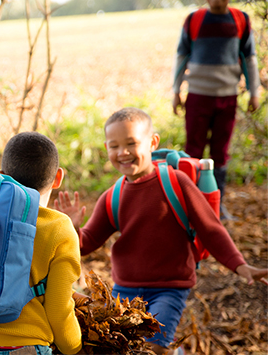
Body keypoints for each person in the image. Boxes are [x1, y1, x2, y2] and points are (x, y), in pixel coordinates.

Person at [54, 107, 268, 355]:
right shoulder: (112, 196)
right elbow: (87, 242)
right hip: (124, 291)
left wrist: (241, 266)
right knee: (120, 347)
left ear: (152, 142)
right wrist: (72, 227)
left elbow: (211, 229)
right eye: (114, 146)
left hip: (169, 288)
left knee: (152, 348)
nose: (123, 153)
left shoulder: (177, 183)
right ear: (106, 148)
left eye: (131, 143)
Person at [0, 132, 83, 355]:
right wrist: (74, 347)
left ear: (1, 174)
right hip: (25, 346)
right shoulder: (60, 227)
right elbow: (58, 309)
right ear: (58, 178)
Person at [172, 0, 261, 219]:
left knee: (220, 153)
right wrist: (175, 91)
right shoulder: (194, 20)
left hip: (227, 96)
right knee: (193, 150)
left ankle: (216, 204)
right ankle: (188, 203)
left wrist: (254, 92)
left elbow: (249, 57)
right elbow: (181, 56)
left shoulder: (240, 20)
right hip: (197, 96)